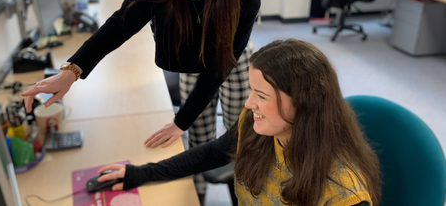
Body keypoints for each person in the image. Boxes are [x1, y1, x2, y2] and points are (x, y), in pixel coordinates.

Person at [21, 0, 260, 198]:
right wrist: (72, 71)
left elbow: (215, 74)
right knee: (196, 138)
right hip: (191, 62)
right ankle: (195, 197)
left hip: (229, 63)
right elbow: (122, 22)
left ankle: (241, 197)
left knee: (237, 142)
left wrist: (179, 121)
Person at [94, 39, 381, 206]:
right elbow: (214, 152)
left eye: (261, 95)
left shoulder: (343, 193)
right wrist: (139, 174)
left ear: (304, 102)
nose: (248, 104)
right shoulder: (260, 128)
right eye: (250, 91)